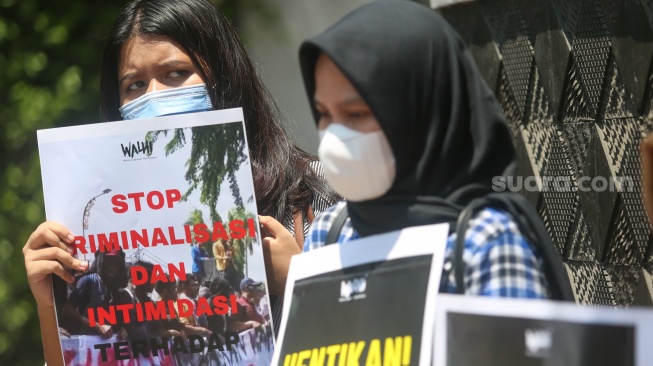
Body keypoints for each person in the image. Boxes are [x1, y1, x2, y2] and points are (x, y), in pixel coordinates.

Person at [23, 0, 338, 364]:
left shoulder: (313, 192)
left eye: (175, 73)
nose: (155, 96)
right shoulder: (93, 224)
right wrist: (51, 304)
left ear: (224, 74)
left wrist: (301, 280)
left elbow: (382, 335)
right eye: (135, 84)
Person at [299, 0, 572, 299]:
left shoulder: (483, 242)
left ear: (421, 112)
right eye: (323, 113)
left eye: (356, 114)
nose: (334, 135)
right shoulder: (330, 233)